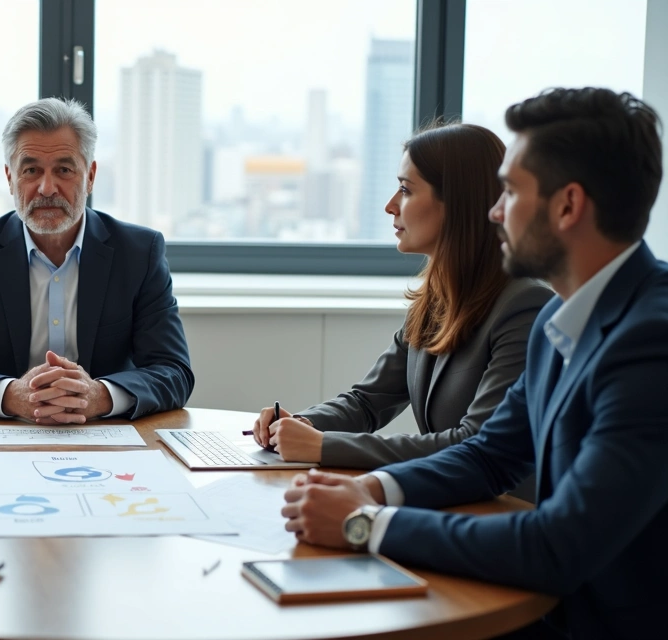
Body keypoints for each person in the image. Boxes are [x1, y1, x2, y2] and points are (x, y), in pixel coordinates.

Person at [281, 87, 668, 638]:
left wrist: (365, 523)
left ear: (568, 205)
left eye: (509, 191)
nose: (493, 210)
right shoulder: (563, 316)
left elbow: (558, 545)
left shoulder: (651, 341)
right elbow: (490, 455)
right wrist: (371, 490)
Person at [254, 123, 551, 472]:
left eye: (406, 191)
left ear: (457, 202)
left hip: (500, 511)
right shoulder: (434, 302)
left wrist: (323, 446)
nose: (390, 206)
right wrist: (299, 425)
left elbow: (473, 443)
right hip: (445, 500)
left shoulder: (524, 308)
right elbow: (367, 402)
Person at [0, 97, 194, 424]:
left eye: (63, 169)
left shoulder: (139, 252)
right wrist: (10, 395)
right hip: (1, 440)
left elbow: (174, 371)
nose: (47, 188)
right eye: (31, 170)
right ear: (9, 178)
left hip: (107, 437)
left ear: (89, 176)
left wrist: (99, 396)